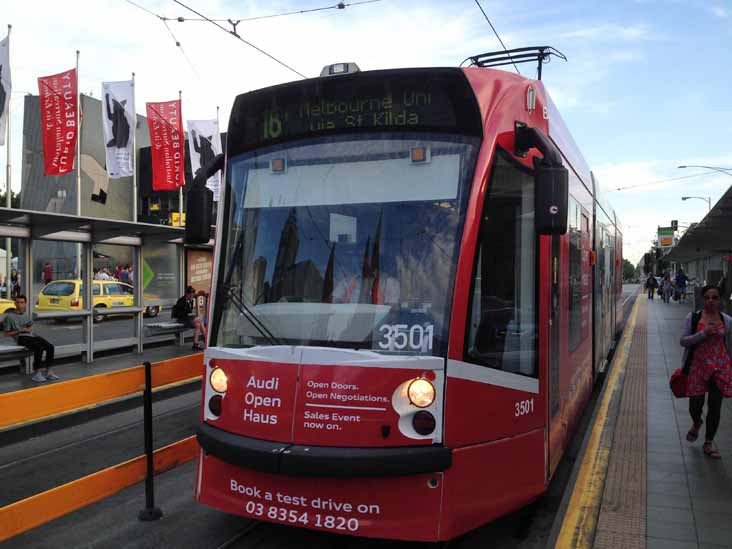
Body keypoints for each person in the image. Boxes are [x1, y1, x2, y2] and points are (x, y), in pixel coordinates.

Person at [680, 285, 732, 459]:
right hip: (698, 366)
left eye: (715, 297)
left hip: (720, 368)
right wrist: (703, 334)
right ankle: (697, 422)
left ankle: (709, 442)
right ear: (703, 299)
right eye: (708, 297)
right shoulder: (693, 318)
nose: (711, 301)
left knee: (715, 406)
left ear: (720, 300)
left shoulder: (727, 321)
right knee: (695, 404)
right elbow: (684, 341)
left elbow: (728, 347)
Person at [4, 295, 58, 382]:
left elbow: (29, 326)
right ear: (14, 303)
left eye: (22, 302)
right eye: (17, 302)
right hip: (20, 338)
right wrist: (21, 330)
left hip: (31, 336)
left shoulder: (25, 315)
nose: (19, 305)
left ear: (25, 304)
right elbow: (6, 333)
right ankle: (37, 373)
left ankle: (49, 372)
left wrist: (29, 328)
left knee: (50, 347)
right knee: (39, 348)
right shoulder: (9, 317)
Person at [173, 286, 204, 350]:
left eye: (192, 294)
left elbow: (189, 311)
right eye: (191, 294)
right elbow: (180, 314)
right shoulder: (181, 300)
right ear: (187, 294)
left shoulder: (191, 301)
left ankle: (195, 344)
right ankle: (206, 337)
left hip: (187, 319)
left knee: (198, 325)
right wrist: (190, 316)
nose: (192, 296)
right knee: (200, 319)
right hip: (181, 320)